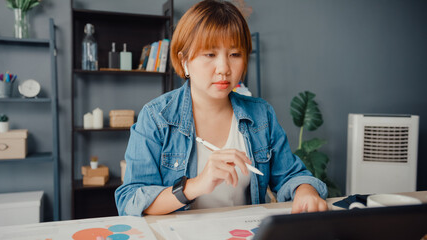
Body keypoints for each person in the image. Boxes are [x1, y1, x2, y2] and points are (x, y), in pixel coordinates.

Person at [115, 0, 328, 217]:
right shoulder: (156, 117)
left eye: (235, 54)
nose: (224, 68)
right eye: (210, 54)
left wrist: (305, 191)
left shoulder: (261, 114)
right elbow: (130, 200)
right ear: (184, 60)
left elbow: (291, 175)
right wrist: (196, 185)